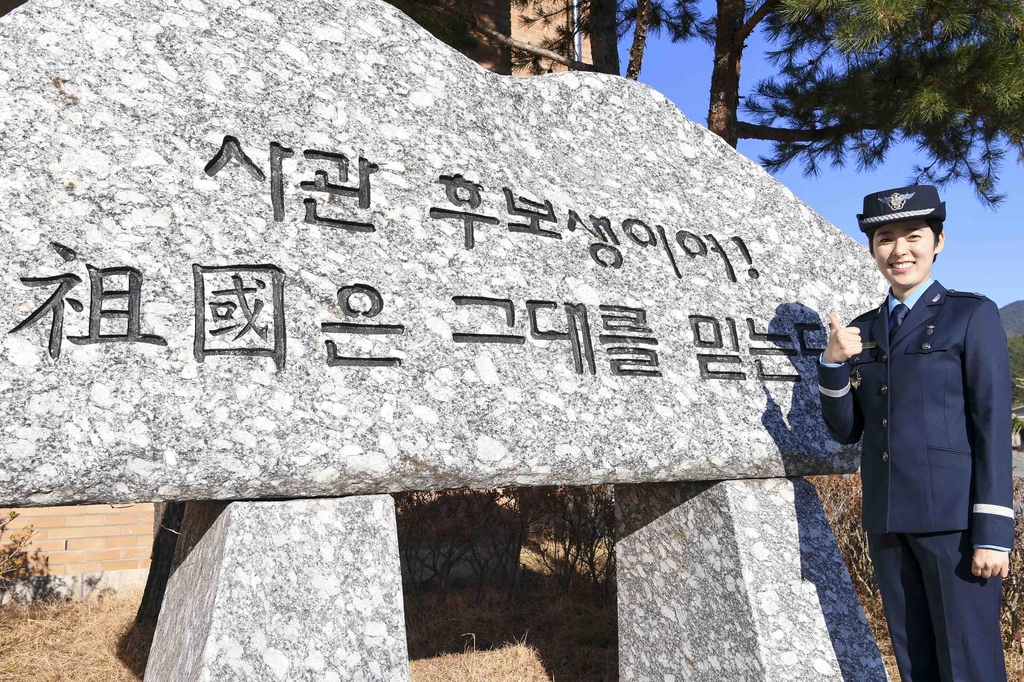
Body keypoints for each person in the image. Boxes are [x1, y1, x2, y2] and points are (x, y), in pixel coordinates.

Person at [817, 184, 1014, 681]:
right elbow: (846, 431)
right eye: (886, 238)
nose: (899, 250)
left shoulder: (971, 315)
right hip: (888, 522)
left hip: (955, 526)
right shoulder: (861, 330)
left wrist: (993, 533)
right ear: (872, 248)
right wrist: (832, 364)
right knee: (915, 663)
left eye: (913, 235)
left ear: (937, 242)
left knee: (969, 662)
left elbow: (990, 426)